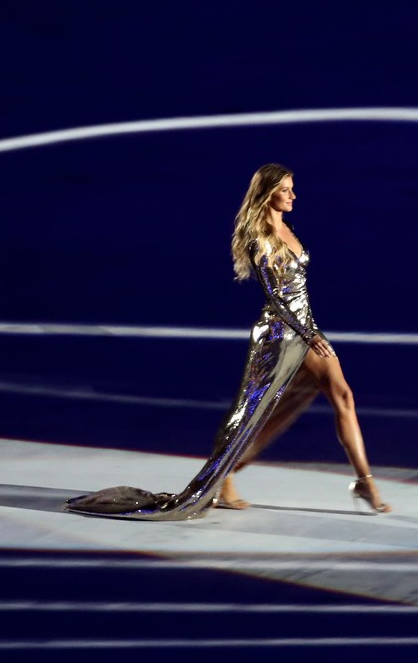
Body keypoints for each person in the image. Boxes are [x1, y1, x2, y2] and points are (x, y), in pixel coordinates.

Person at [64, 163, 391, 521]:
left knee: (342, 395)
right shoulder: (261, 237)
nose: (294, 195)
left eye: (292, 188)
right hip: (281, 335)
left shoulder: (288, 227)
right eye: (286, 190)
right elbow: (276, 296)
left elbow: (297, 291)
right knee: (252, 413)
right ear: (269, 194)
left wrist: (311, 331)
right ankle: (224, 477)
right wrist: (308, 335)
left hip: (307, 327)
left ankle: (364, 482)